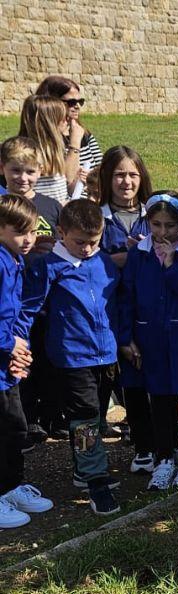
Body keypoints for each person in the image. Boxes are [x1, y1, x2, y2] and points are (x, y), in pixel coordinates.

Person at [19, 200, 121, 515]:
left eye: (95, 241)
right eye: (80, 242)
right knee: (85, 417)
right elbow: (29, 307)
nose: (88, 248)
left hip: (107, 353)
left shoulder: (103, 262)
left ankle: (82, 467)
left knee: (96, 414)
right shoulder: (48, 267)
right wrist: (17, 340)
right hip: (72, 355)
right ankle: (95, 480)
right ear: (61, 233)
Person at [117, 192, 178, 490]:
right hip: (151, 339)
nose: (163, 232)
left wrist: (171, 265)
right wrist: (126, 337)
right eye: (156, 224)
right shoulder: (139, 254)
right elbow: (127, 296)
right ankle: (164, 458)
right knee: (160, 400)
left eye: (170, 225)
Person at [97, 145, 157, 473]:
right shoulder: (98, 217)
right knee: (126, 381)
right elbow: (86, 260)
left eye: (132, 174)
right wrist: (120, 258)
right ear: (108, 177)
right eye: (119, 174)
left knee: (154, 376)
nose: (126, 181)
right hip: (109, 311)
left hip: (149, 310)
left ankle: (165, 440)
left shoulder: (155, 213)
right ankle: (141, 445)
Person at [1, 137, 64, 447]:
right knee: (16, 362)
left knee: (43, 358)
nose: (22, 178)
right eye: (15, 171)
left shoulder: (50, 206)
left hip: (43, 300)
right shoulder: (2, 205)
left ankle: (47, 417)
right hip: (10, 304)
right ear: (3, 169)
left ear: (40, 171)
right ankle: (23, 422)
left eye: (29, 171)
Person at [0, 195, 47, 529]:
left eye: (32, 230)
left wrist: (21, 350)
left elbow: (17, 313)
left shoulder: (16, 260)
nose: (28, 238)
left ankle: (10, 486)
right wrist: (8, 344)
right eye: (19, 231)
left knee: (15, 429)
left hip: (7, 369)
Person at [35, 76, 102, 200]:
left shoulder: (84, 134)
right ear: (52, 102)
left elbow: (101, 167)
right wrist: (74, 144)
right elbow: (65, 180)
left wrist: (92, 178)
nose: (77, 106)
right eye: (71, 102)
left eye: (80, 101)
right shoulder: (43, 141)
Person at [18, 95, 71, 204]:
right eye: (63, 117)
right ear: (50, 123)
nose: (67, 120)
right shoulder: (27, 155)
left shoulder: (56, 150)